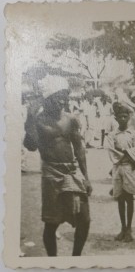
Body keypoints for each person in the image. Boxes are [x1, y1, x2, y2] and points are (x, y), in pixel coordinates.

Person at [23, 75, 92, 256]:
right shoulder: (38, 121)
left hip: (72, 172)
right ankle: (53, 261)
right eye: (58, 96)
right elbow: (30, 145)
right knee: (51, 223)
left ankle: (74, 259)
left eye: (65, 95)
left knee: (84, 219)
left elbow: (80, 150)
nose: (63, 100)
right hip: (51, 174)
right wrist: (29, 118)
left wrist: (86, 178)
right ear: (48, 98)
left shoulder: (71, 120)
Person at [105, 102, 135, 243]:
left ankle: (129, 229)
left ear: (128, 118)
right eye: (120, 116)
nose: (122, 119)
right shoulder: (112, 134)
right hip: (117, 168)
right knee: (120, 198)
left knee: (129, 198)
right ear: (116, 118)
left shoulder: (133, 134)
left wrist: (127, 153)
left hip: (128, 168)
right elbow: (111, 150)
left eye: (125, 116)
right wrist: (125, 154)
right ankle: (122, 227)